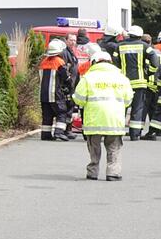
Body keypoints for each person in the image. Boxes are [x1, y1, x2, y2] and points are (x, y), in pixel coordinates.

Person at [73, 51, 133, 181]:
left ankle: (92, 172)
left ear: (94, 62)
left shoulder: (88, 78)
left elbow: (79, 99)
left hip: (94, 120)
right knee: (114, 148)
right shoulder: (122, 78)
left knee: (94, 147)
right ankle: (113, 172)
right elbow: (128, 100)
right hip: (114, 120)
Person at [115, 24, 150, 140]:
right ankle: (134, 134)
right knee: (137, 108)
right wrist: (149, 72)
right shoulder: (145, 46)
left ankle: (118, 132)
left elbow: (114, 61)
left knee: (122, 108)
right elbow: (155, 60)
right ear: (140, 35)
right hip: (140, 83)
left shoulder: (119, 46)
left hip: (123, 83)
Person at [39, 38, 74, 141]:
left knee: (47, 115)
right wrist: (70, 85)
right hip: (55, 93)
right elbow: (66, 77)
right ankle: (59, 132)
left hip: (43, 94)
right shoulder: (59, 61)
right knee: (62, 112)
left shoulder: (43, 62)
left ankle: (45, 134)